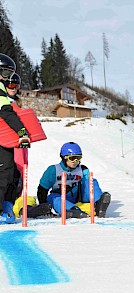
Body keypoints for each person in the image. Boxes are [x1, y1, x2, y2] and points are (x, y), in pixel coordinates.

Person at [5, 72, 52, 218]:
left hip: (21, 145)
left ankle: (24, 206)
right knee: (12, 176)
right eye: (10, 85)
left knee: (20, 177)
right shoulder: (5, 102)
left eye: (16, 85)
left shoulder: (15, 101)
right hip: (10, 146)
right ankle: (14, 207)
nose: (13, 88)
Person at [36, 142, 111, 218]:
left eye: (78, 158)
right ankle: (71, 210)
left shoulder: (82, 169)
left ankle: (99, 204)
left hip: (78, 197)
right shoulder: (53, 170)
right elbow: (42, 189)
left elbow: (88, 187)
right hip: (61, 197)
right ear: (64, 157)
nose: (75, 161)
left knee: (91, 181)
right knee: (51, 197)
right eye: (72, 158)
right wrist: (43, 206)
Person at [0, 53, 30, 224]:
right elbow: (6, 112)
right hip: (5, 139)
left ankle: (6, 207)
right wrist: (22, 131)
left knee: (12, 174)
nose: (6, 79)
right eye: (5, 74)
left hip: (6, 139)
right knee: (5, 174)